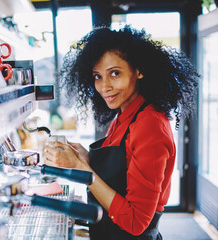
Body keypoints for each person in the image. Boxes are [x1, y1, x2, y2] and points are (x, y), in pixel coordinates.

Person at [43, 25, 199, 240]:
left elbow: (136, 222)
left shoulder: (150, 125)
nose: (104, 86)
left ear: (139, 70)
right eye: (97, 76)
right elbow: (121, 172)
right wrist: (84, 158)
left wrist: (81, 169)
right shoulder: (125, 114)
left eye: (114, 73)